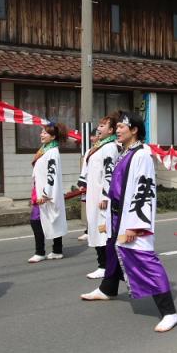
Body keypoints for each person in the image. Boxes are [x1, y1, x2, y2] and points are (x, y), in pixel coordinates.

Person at [80, 111, 177, 333]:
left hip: (133, 220)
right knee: (112, 250)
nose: (117, 130)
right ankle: (108, 289)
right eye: (116, 128)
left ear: (134, 130)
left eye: (122, 127)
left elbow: (144, 193)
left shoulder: (142, 155)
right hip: (118, 216)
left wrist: (136, 225)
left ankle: (169, 312)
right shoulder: (126, 152)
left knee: (144, 260)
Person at [76, 114, 120, 279]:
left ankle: (104, 265)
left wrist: (105, 197)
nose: (99, 129)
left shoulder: (110, 148)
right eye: (99, 125)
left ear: (111, 130)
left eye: (103, 126)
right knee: (95, 228)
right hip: (94, 195)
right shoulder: (100, 146)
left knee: (102, 230)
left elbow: (110, 175)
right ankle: (104, 264)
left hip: (102, 198)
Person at [28, 123, 68, 263]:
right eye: (42, 132)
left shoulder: (52, 152)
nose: (41, 135)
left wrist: (45, 194)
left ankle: (40, 252)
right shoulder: (45, 149)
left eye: (45, 133)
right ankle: (57, 250)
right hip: (41, 190)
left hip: (47, 193)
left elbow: (52, 174)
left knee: (37, 220)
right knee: (52, 219)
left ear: (53, 136)